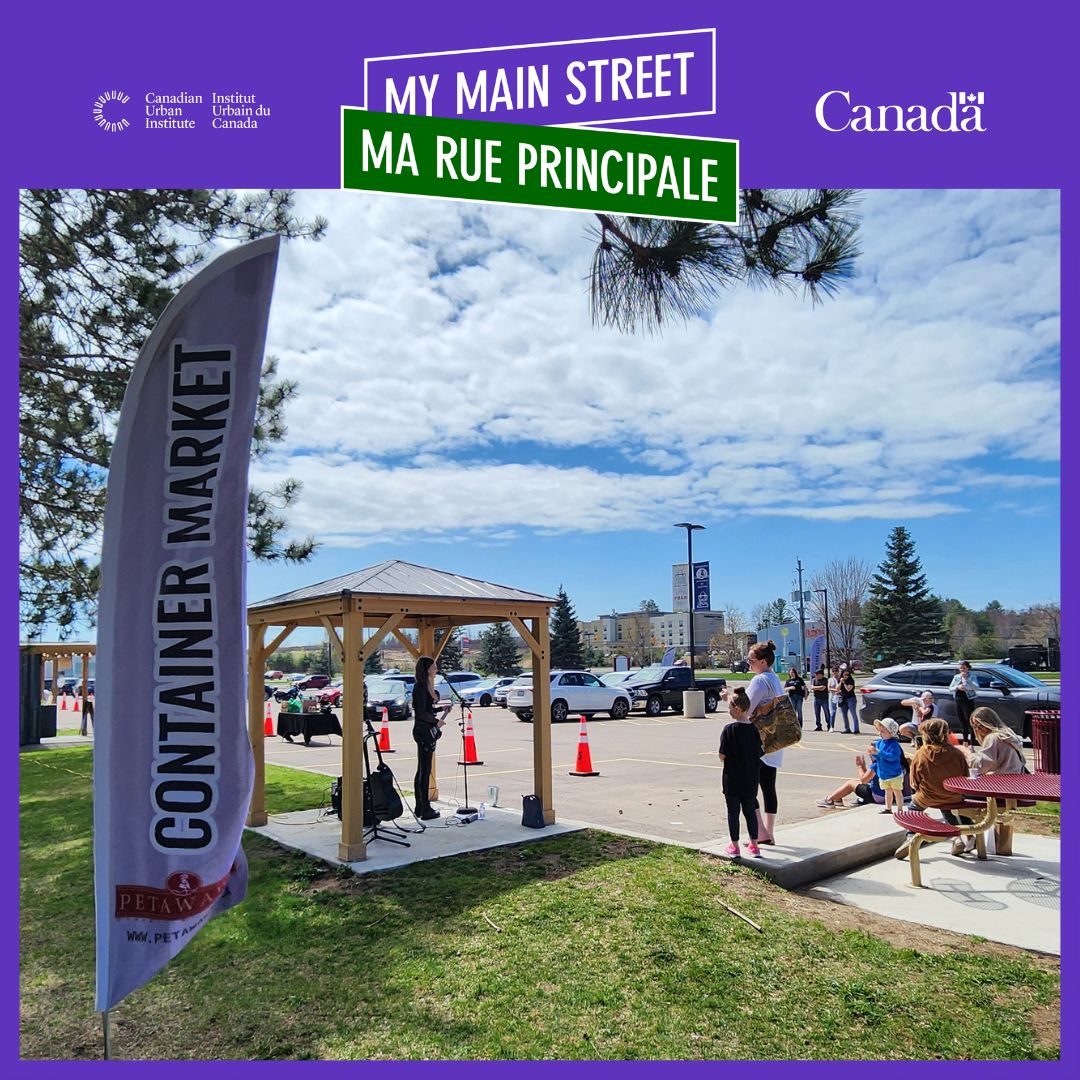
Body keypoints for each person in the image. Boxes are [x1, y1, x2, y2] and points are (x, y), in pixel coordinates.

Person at [894, 718, 968, 860]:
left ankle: (910, 837)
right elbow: (965, 776)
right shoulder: (957, 754)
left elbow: (914, 782)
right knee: (948, 807)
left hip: (928, 796)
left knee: (913, 810)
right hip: (953, 795)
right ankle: (957, 838)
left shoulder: (921, 754)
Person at [745, 639, 785, 844]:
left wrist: (728, 700)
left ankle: (760, 831)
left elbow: (745, 710)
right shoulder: (774, 678)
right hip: (774, 738)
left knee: (748, 787)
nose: (748, 663)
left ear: (762, 661)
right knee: (769, 786)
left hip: (758, 739)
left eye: (751, 660)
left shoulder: (759, 681)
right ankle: (769, 832)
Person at [717, 687, 763, 857]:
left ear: (737, 709)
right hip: (750, 777)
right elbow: (760, 752)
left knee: (733, 812)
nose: (729, 711)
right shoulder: (754, 730)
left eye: (729, 708)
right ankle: (754, 845)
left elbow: (723, 755)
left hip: (732, 778)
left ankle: (735, 846)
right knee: (750, 811)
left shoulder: (729, 730)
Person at [411, 656, 447, 820]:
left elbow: (427, 709)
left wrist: (440, 710)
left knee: (423, 769)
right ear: (427, 669)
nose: (436, 670)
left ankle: (420, 806)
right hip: (423, 732)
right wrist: (435, 721)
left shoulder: (424, 687)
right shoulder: (420, 687)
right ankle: (424, 808)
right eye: (434, 667)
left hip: (425, 730)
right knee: (424, 771)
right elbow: (420, 713)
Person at [867, 717, 904, 813]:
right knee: (887, 791)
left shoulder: (894, 745)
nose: (880, 733)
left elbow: (892, 757)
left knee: (897, 791)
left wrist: (879, 752)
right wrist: (873, 753)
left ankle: (900, 809)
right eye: (880, 731)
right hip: (884, 773)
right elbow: (878, 758)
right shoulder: (879, 743)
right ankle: (888, 807)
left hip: (894, 774)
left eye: (883, 731)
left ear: (891, 733)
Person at [949, 661, 978, 747]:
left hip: (968, 699)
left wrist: (967, 682)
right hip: (958, 699)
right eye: (961, 668)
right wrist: (958, 687)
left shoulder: (972, 676)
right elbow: (950, 688)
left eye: (964, 668)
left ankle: (972, 742)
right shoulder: (957, 677)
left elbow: (976, 687)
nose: (962, 670)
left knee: (969, 720)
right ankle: (965, 741)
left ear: (968, 668)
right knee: (962, 721)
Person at [836, 664, 860, 734]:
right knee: (844, 714)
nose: (846, 676)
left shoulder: (851, 680)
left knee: (853, 714)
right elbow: (837, 688)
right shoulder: (840, 680)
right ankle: (847, 728)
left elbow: (848, 689)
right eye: (845, 674)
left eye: (847, 674)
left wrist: (844, 683)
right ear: (842, 675)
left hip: (851, 698)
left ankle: (856, 729)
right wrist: (840, 682)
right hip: (843, 699)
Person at [827, 664, 841, 732]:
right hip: (833, 697)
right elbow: (829, 688)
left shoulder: (840, 679)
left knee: (843, 712)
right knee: (832, 712)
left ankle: (847, 727)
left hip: (840, 697)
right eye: (834, 671)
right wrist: (836, 690)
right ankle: (831, 726)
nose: (835, 672)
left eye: (836, 671)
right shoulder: (830, 679)